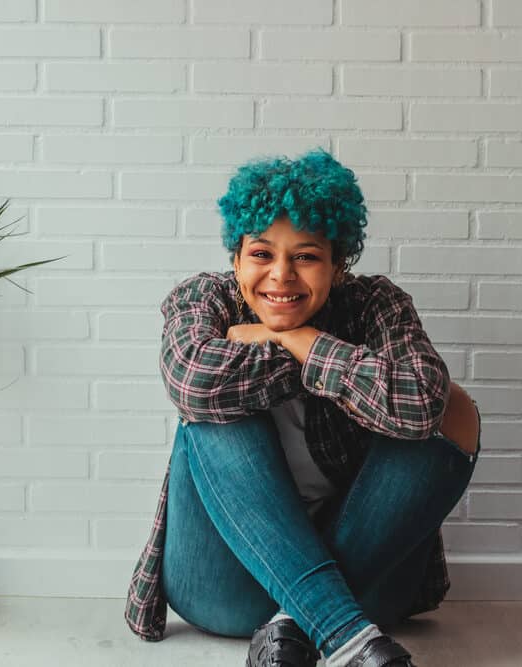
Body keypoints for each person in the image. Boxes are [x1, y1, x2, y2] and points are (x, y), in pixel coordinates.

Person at [125, 149, 481, 667]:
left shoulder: (376, 305)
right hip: (225, 587)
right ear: (236, 260)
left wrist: (307, 341)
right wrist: (316, 358)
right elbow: (194, 383)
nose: (281, 276)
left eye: (307, 257)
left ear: (338, 266)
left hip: (360, 572)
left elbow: (422, 401)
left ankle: (299, 625)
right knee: (214, 418)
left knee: (455, 409)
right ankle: (350, 639)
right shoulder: (204, 298)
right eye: (262, 254)